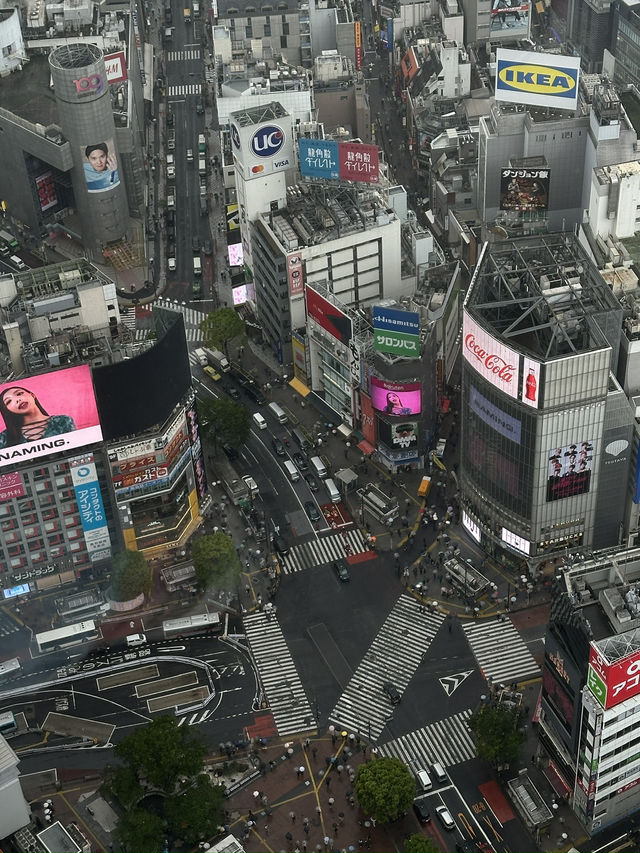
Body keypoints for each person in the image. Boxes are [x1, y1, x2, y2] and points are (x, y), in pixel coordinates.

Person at [0, 386, 76, 448]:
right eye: (9, 401)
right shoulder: (5, 437)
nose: (17, 400)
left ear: (32, 395)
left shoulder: (63, 421)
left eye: (19, 393)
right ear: (7, 410)